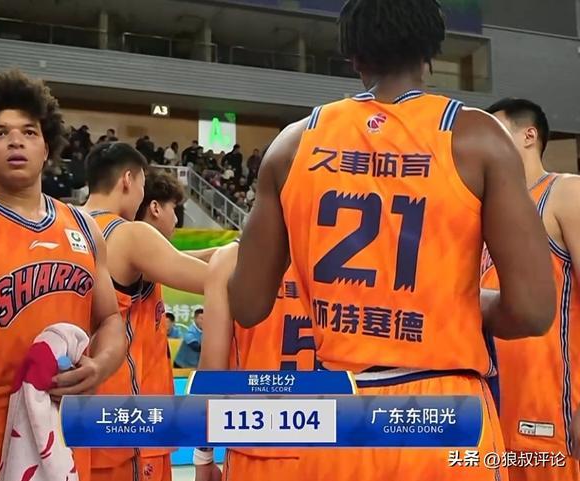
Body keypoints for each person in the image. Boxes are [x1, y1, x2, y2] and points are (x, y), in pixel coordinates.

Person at [227, 1, 556, 480]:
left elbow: (248, 303)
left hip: (338, 416)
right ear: (430, 55)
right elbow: (533, 311)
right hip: (444, 414)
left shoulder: (292, 144)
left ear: (353, 57)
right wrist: (462, 304)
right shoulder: (477, 137)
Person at [0, 69, 125, 481]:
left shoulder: (85, 228)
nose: (16, 141)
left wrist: (100, 366)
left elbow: (111, 319)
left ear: (47, 148)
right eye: (0, 133)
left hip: (62, 429)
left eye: (28, 132)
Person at [82, 144, 208, 481]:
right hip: (130, 421)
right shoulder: (129, 233)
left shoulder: (67, 225)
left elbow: (181, 261)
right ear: (128, 179)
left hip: (81, 416)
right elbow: (211, 279)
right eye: (141, 183)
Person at [484, 98, 580, 481]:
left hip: (550, 410)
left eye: (496, 131)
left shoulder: (565, 193)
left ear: (528, 136)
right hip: (490, 412)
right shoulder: (482, 213)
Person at [197, 240, 315, 481]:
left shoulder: (231, 259)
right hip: (329, 444)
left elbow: (213, 373)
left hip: (254, 442)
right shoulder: (345, 259)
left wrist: (203, 456)